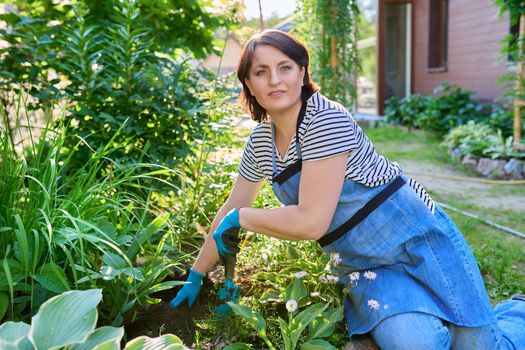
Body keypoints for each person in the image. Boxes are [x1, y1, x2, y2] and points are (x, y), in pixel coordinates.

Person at [169, 29, 525, 349]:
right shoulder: (261, 143)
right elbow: (232, 205)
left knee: (479, 346)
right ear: (248, 83)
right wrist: (197, 274)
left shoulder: (324, 119)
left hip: (416, 238)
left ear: (302, 72)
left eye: (285, 67)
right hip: (367, 266)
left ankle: (517, 312)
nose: (275, 80)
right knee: (418, 344)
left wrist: (242, 219)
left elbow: (310, 223)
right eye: (261, 72)